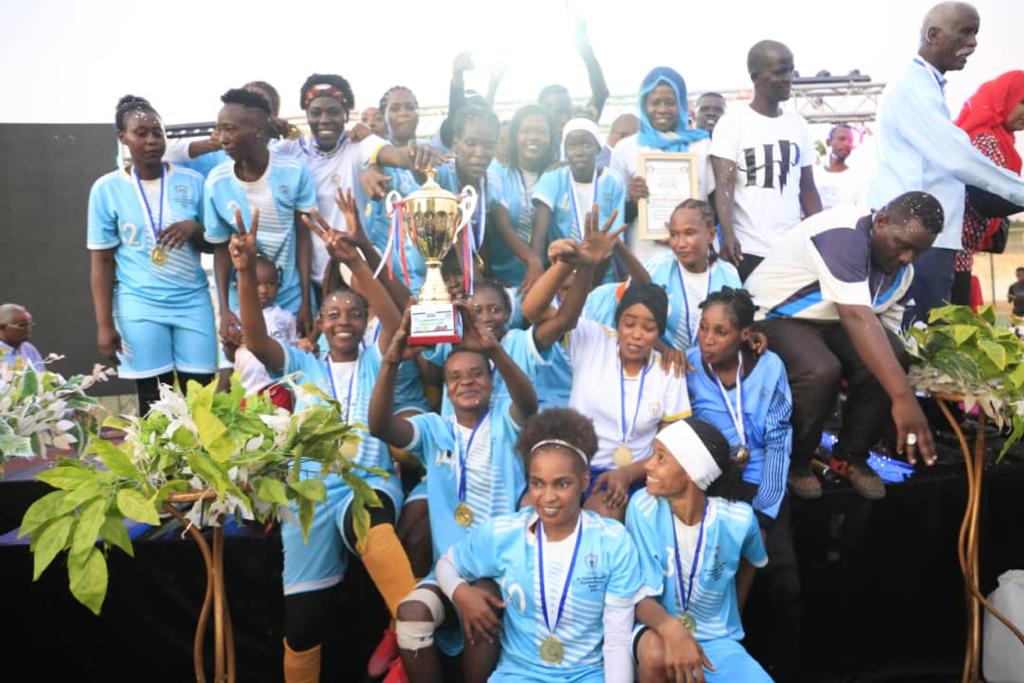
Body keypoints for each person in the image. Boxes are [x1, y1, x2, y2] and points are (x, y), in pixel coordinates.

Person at [229, 192, 417, 683]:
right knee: (302, 627)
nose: (343, 321)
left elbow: (395, 321)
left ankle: (411, 632)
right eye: (332, 314)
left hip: (368, 482)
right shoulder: (301, 365)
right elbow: (255, 338)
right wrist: (244, 272)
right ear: (319, 325)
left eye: (353, 313)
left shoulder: (378, 358)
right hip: (309, 495)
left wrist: (353, 260)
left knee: (376, 533)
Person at [370, 304, 538, 683]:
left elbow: (528, 403)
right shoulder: (434, 429)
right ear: (446, 388)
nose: (466, 382)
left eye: (477, 374)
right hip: (448, 567)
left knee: (483, 602)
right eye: (455, 377)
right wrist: (391, 362)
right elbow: (379, 426)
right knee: (411, 614)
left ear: (491, 382)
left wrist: (494, 349)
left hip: (500, 565)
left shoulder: (506, 422)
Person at [746, 192, 943, 501]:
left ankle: (850, 456)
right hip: (774, 315)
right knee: (820, 369)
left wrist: (896, 388)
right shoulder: (845, 233)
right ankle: (794, 460)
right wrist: (903, 398)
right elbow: (856, 316)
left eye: (917, 252)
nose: (907, 258)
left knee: (891, 356)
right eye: (902, 245)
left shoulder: (902, 272)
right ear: (881, 221)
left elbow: (883, 333)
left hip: (830, 322)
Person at [434, 408, 645, 683]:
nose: (548, 497)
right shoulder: (504, 533)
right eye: (537, 483)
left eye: (562, 484)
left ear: (584, 482)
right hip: (519, 674)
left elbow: (617, 640)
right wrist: (461, 593)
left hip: (586, 674)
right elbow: (446, 564)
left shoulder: (613, 541)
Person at [866, 2, 1024, 324]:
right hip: (916, 237)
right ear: (934, 35)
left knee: (932, 335)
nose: (973, 43)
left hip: (931, 238)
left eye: (975, 33)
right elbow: (957, 158)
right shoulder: (913, 86)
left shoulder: (927, 86)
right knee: (924, 337)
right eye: (965, 32)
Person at [523, 247, 691, 521]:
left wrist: (627, 474)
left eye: (648, 328)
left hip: (632, 474)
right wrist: (570, 263)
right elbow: (533, 310)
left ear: (659, 332)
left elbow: (668, 448)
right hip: (573, 464)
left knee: (601, 516)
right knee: (530, 510)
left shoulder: (669, 370)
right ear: (617, 322)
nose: (636, 335)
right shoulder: (593, 338)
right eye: (629, 324)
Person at [686, 288, 799, 680]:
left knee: (783, 581)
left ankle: (778, 667)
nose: (707, 339)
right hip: (712, 483)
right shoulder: (687, 365)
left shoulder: (770, 367)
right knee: (716, 579)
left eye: (720, 332)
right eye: (703, 328)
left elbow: (779, 442)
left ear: (744, 335)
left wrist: (764, 515)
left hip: (760, 483)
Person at [88, 95, 216, 414]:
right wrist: (104, 324)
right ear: (123, 138)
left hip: (192, 301)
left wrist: (195, 229)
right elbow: (102, 261)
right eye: (141, 133)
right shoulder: (106, 189)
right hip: (139, 305)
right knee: (154, 400)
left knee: (201, 398)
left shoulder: (193, 181)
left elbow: (214, 244)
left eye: (158, 133)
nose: (151, 141)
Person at [628, 418, 771, 683]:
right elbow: (640, 595)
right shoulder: (644, 508)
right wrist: (673, 630)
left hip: (716, 638)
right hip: (656, 629)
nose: (648, 465)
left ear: (691, 472)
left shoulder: (738, 520)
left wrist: (734, 613)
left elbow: (753, 560)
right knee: (656, 656)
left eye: (661, 458)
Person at [273, 74, 437, 306]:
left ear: (346, 114)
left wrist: (413, 154)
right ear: (307, 114)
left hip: (354, 271)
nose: (324, 120)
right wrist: (267, 125)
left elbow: (394, 155)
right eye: (316, 112)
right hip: (307, 278)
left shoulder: (358, 144)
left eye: (333, 112)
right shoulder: (290, 150)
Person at [203, 87, 317, 362]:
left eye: (230, 129)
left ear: (257, 129)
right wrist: (225, 310)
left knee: (295, 370)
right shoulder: (216, 182)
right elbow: (220, 252)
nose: (222, 138)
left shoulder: (294, 171)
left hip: (289, 294)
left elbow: (303, 238)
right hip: (242, 297)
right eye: (219, 129)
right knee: (246, 372)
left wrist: (305, 300)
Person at [710, 40, 822, 282]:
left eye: (790, 70)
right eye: (780, 72)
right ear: (756, 77)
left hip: (792, 249)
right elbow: (724, 184)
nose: (788, 78)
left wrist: (823, 234)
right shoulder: (733, 123)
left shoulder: (798, 124)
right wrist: (727, 235)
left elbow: (807, 187)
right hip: (747, 249)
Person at [610, 66, 712, 262]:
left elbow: (712, 204)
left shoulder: (702, 145)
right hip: (647, 256)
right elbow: (614, 214)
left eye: (670, 102)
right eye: (655, 102)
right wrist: (633, 201)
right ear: (643, 104)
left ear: (681, 104)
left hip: (695, 256)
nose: (662, 109)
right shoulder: (626, 148)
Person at [952, 71, 1024, 305]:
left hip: (958, 253)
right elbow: (985, 201)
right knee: (951, 324)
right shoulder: (985, 139)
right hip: (952, 255)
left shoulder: (996, 138)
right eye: (1022, 102)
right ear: (1004, 98)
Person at [642, 200, 742, 351]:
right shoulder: (656, 267)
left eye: (689, 233)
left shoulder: (728, 275)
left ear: (711, 235)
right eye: (674, 234)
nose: (681, 244)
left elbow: (737, 328)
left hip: (711, 360)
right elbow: (631, 320)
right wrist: (666, 352)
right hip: (661, 359)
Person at [530, 118, 627, 273]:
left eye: (587, 145)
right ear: (564, 150)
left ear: (598, 148)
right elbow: (539, 235)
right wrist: (535, 267)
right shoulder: (553, 178)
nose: (579, 152)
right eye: (572, 146)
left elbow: (614, 237)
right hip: (561, 270)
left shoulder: (613, 181)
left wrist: (593, 276)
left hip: (603, 269)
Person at [487, 104, 559, 287]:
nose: (533, 137)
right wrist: (532, 260)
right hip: (502, 279)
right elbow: (500, 223)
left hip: (549, 278)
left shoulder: (558, 174)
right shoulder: (497, 170)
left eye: (541, 132)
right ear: (515, 136)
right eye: (526, 131)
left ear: (551, 138)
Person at [226, 256, 298, 405]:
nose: (264, 290)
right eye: (256, 284)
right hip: (247, 390)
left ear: (279, 285)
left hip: (278, 388)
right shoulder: (236, 319)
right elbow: (230, 357)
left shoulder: (286, 317)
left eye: (270, 284)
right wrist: (229, 346)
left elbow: (294, 352)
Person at [537, 19, 610, 131]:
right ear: (541, 112)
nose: (565, 119)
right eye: (558, 112)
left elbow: (600, 93)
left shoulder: (579, 131)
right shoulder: (525, 137)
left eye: (569, 112)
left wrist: (586, 52)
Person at [814, 124, 863, 210]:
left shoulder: (856, 178)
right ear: (829, 142)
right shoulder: (814, 174)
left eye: (850, 141)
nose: (846, 144)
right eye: (842, 139)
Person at [0, 304, 44, 371]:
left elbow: (41, 374)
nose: (28, 329)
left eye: (30, 325)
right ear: (2, 327)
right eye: (22, 325)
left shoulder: (30, 350)